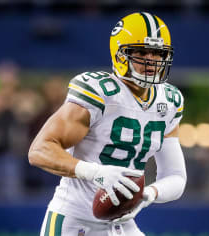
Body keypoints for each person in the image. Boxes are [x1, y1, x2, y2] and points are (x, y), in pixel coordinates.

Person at [28, 12, 187, 235]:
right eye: (141, 51)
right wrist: (95, 173)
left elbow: (176, 176)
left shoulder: (168, 101)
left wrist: (147, 194)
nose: (151, 60)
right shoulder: (100, 93)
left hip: (121, 223)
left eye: (158, 53)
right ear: (121, 54)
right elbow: (39, 150)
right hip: (74, 220)